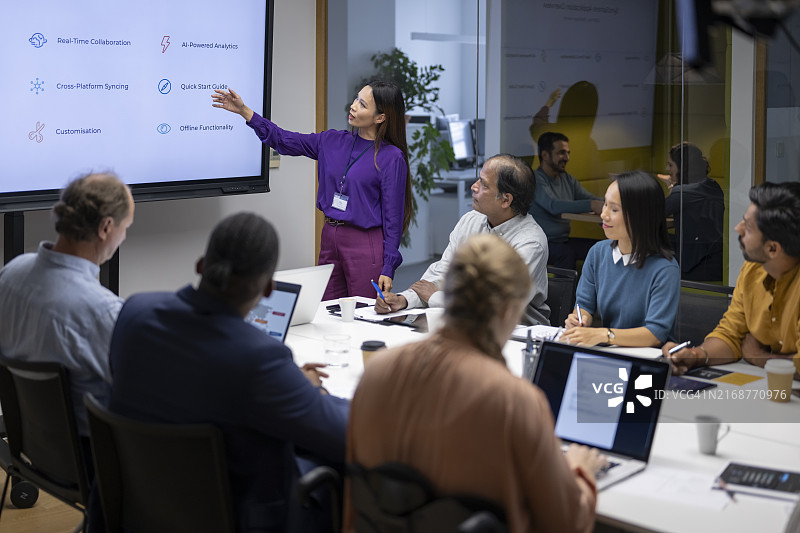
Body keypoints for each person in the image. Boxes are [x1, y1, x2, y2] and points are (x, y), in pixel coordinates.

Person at [345, 234, 605, 532]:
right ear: (509, 311)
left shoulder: (378, 372)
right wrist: (580, 470)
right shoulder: (515, 402)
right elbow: (564, 523)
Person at [108, 213, 350, 532]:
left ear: (200, 266)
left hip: (140, 507)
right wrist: (314, 392)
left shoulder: (135, 313)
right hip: (236, 517)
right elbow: (343, 434)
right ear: (268, 289)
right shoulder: (258, 359)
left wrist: (290, 387)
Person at [212, 82, 410, 300]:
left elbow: (393, 218)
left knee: (363, 314)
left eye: (362, 104)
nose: (353, 106)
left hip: (365, 243)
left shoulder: (391, 157)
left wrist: (388, 266)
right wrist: (245, 112)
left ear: (380, 117)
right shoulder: (331, 140)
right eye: (355, 99)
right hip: (330, 236)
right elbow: (283, 140)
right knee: (327, 312)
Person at [0, 172, 134, 436]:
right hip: (95, 466)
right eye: (125, 228)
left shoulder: (10, 274)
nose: (124, 237)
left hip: (32, 449)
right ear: (106, 227)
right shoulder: (103, 312)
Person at [375, 153, 550, 325]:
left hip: (515, 333)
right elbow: (443, 272)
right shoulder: (471, 220)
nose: (474, 186)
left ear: (505, 200)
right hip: (463, 322)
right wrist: (404, 300)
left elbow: (495, 305)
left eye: (484, 185)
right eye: (478, 179)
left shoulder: (530, 243)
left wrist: (436, 297)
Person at [666, 182, 800, 378]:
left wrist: (758, 356)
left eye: (749, 227)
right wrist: (696, 355)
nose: (738, 228)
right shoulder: (753, 269)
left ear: (773, 249)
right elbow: (731, 335)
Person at [562, 171, 680, 347]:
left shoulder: (664, 269)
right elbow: (584, 305)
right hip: (612, 354)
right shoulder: (597, 253)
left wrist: (604, 334)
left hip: (648, 363)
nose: (604, 215)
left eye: (614, 209)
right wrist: (580, 320)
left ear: (640, 216)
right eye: (605, 205)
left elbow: (655, 334)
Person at [528, 131, 604, 270]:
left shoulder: (567, 178)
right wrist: (592, 205)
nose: (567, 158)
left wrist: (610, 204)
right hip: (541, 244)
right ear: (545, 155)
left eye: (568, 153)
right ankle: (564, 292)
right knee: (566, 254)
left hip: (562, 241)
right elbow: (553, 205)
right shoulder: (536, 179)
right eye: (561, 153)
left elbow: (589, 198)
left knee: (601, 250)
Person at [659, 142, 725, 281]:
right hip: (715, 260)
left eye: (670, 165)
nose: (667, 169)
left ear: (683, 168)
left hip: (698, 266)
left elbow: (654, 213)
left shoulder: (685, 193)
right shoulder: (711, 185)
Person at [529, 82, 601, 181]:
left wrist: (549, 103)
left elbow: (537, 124)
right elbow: (595, 181)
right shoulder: (590, 146)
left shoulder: (549, 136)